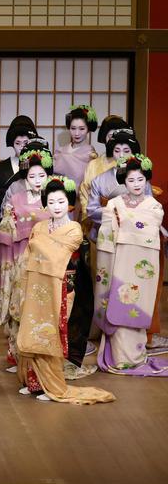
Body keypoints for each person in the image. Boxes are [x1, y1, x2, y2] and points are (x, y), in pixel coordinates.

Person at [15, 177, 115, 404]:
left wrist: (39, 246)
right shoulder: (39, 226)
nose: (56, 206)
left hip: (61, 286)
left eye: (61, 201)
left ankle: (51, 383)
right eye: (51, 202)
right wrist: (40, 249)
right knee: (33, 330)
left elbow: (56, 255)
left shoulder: (74, 229)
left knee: (52, 334)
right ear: (46, 204)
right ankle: (33, 383)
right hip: (36, 284)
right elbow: (29, 256)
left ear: (69, 203)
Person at [95, 155, 168, 376]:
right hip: (117, 262)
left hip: (139, 267)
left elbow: (149, 227)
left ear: (146, 180)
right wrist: (126, 223)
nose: (136, 184)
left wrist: (123, 223)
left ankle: (134, 357)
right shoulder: (114, 203)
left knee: (134, 305)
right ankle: (117, 357)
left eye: (140, 180)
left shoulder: (154, 206)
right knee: (115, 303)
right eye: (131, 180)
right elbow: (106, 229)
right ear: (123, 183)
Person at [0, 141, 52, 370]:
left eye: (41, 175)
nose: (37, 180)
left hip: (46, 259)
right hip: (19, 258)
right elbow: (6, 224)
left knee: (40, 304)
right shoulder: (16, 198)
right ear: (25, 177)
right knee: (19, 304)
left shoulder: (54, 198)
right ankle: (16, 353)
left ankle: (39, 356)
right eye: (32, 176)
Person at [0, 115, 38, 236]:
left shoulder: (38, 167)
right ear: (12, 144)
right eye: (17, 143)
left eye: (26, 143)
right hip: (6, 221)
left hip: (33, 222)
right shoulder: (1, 167)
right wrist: (12, 208)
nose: (22, 147)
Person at [78, 114, 129, 232]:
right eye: (111, 136)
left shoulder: (131, 163)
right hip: (98, 222)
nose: (115, 140)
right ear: (104, 137)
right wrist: (90, 216)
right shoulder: (94, 164)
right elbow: (85, 192)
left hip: (127, 222)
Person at [53, 104, 98, 187]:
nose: (77, 134)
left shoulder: (91, 155)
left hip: (81, 197)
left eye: (82, 129)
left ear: (88, 129)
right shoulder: (60, 151)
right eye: (73, 128)